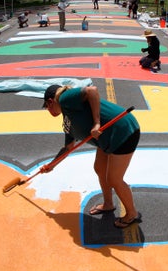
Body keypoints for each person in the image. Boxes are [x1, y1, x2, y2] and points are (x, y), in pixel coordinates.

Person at [41, 84, 142, 228]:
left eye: (47, 107)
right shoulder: (68, 117)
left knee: (114, 179)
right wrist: (51, 165)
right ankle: (108, 204)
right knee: (100, 169)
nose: (48, 111)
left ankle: (132, 213)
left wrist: (96, 123)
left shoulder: (64, 98)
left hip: (122, 130)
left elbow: (92, 90)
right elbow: (68, 147)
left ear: (51, 101)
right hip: (106, 138)